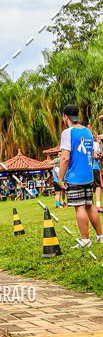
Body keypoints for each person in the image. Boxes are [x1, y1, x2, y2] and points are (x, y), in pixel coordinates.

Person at [58, 105, 103, 248]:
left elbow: (65, 158)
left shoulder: (67, 132)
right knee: (90, 205)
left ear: (66, 117)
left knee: (79, 207)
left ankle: (85, 240)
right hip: (88, 175)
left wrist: (60, 178)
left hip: (75, 176)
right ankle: (100, 236)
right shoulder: (88, 132)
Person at [93, 132, 102, 212]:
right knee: (98, 186)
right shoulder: (95, 144)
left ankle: (91, 206)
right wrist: (100, 156)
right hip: (95, 167)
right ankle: (98, 206)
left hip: (88, 168)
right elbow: (96, 156)